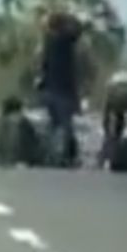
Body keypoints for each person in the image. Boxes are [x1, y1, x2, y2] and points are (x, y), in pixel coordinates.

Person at [36, 12, 84, 167]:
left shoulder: (47, 42)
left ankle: (51, 155)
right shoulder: (64, 41)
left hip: (49, 90)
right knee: (65, 125)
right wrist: (69, 17)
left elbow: (42, 66)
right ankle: (66, 156)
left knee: (53, 124)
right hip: (63, 90)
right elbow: (78, 30)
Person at [0, 95, 42, 167]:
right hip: (25, 161)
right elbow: (35, 143)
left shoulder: (1, 122)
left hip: (4, 161)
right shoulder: (26, 122)